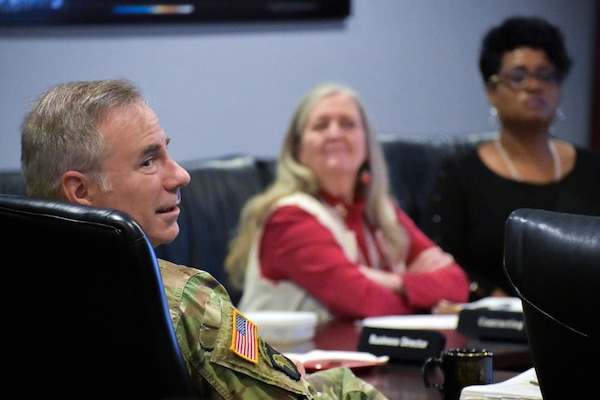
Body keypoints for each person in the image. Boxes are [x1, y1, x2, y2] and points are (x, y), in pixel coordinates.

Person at [20, 79, 389, 399]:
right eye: (148, 161)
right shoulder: (186, 302)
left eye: (167, 152)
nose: (180, 175)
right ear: (80, 191)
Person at [225, 82, 470, 323]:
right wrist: (423, 293)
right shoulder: (288, 218)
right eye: (320, 126)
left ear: (367, 145)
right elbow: (367, 303)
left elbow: (457, 283)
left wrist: (392, 281)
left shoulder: (380, 211)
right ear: (297, 148)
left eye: (348, 124)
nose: (334, 134)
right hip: (286, 361)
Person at [421, 16, 600, 301]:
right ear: (492, 91)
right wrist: (493, 298)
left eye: (546, 75)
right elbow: (440, 262)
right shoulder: (459, 175)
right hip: (492, 327)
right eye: (518, 77)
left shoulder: (594, 170)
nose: (533, 86)